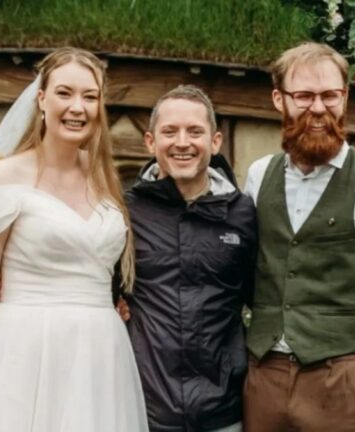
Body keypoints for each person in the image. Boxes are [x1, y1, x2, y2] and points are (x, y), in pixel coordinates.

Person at [0, 47, 148, 432]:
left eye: (90, 96)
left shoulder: (104, 179)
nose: (77, 107)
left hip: (99, 356)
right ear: (41, 99)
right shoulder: (5, 177)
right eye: (64, 93)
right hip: (22, 351)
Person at [243, 42, 355, 432]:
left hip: (339, 380)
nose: (318, 108)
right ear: (279, 99)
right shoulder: (258, 176)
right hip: (263, 378)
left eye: (330, 95)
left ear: (345, 98)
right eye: (304, 96)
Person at [116, 85, 257, 432]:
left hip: (223, 411)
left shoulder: (242, 214)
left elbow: (266, 295)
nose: (182, 143)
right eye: (170, 132)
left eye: (195, 131)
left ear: (215, 141)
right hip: (145, 409)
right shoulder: (124, 212)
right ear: (150, 142)